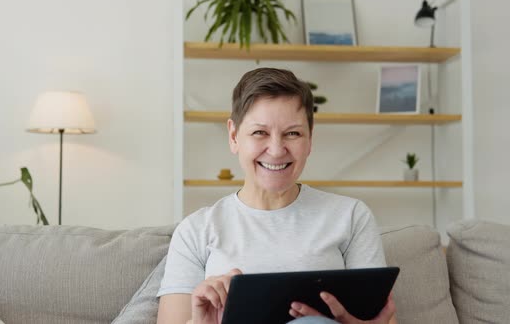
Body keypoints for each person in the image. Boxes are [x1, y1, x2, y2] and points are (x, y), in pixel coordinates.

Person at [156, 68, 397, 324]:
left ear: (310, 140)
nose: (276, 150)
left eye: (292, 133)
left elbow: (383, 319)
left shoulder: (351, 216)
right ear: (234, 136)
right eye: (260, 132)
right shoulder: (196, 230)